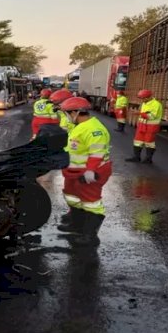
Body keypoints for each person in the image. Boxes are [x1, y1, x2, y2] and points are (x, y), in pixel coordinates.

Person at [60, 96, 112, 245]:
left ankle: (90, 235)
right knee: (72, 197)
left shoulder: (94, 130)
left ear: (76, 112)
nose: (66, 117)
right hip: (74, 172)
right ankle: (76, 225)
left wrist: (90, 171)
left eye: (67, 113)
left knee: (91, 203)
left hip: (89, 173)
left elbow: (97, 153)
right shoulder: (80, 127)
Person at [126, 89, 163, 163]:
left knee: (149, 143)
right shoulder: (144, 103)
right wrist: (139, 113)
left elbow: (151, 116)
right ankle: (136, 157)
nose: (142, 100)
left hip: (151, 127)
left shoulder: (156, 104)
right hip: (142, 126)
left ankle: (148, 159)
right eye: (141, 98)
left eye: (143, 98)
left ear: (148, 97)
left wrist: (139, 113)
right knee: (137, 141)